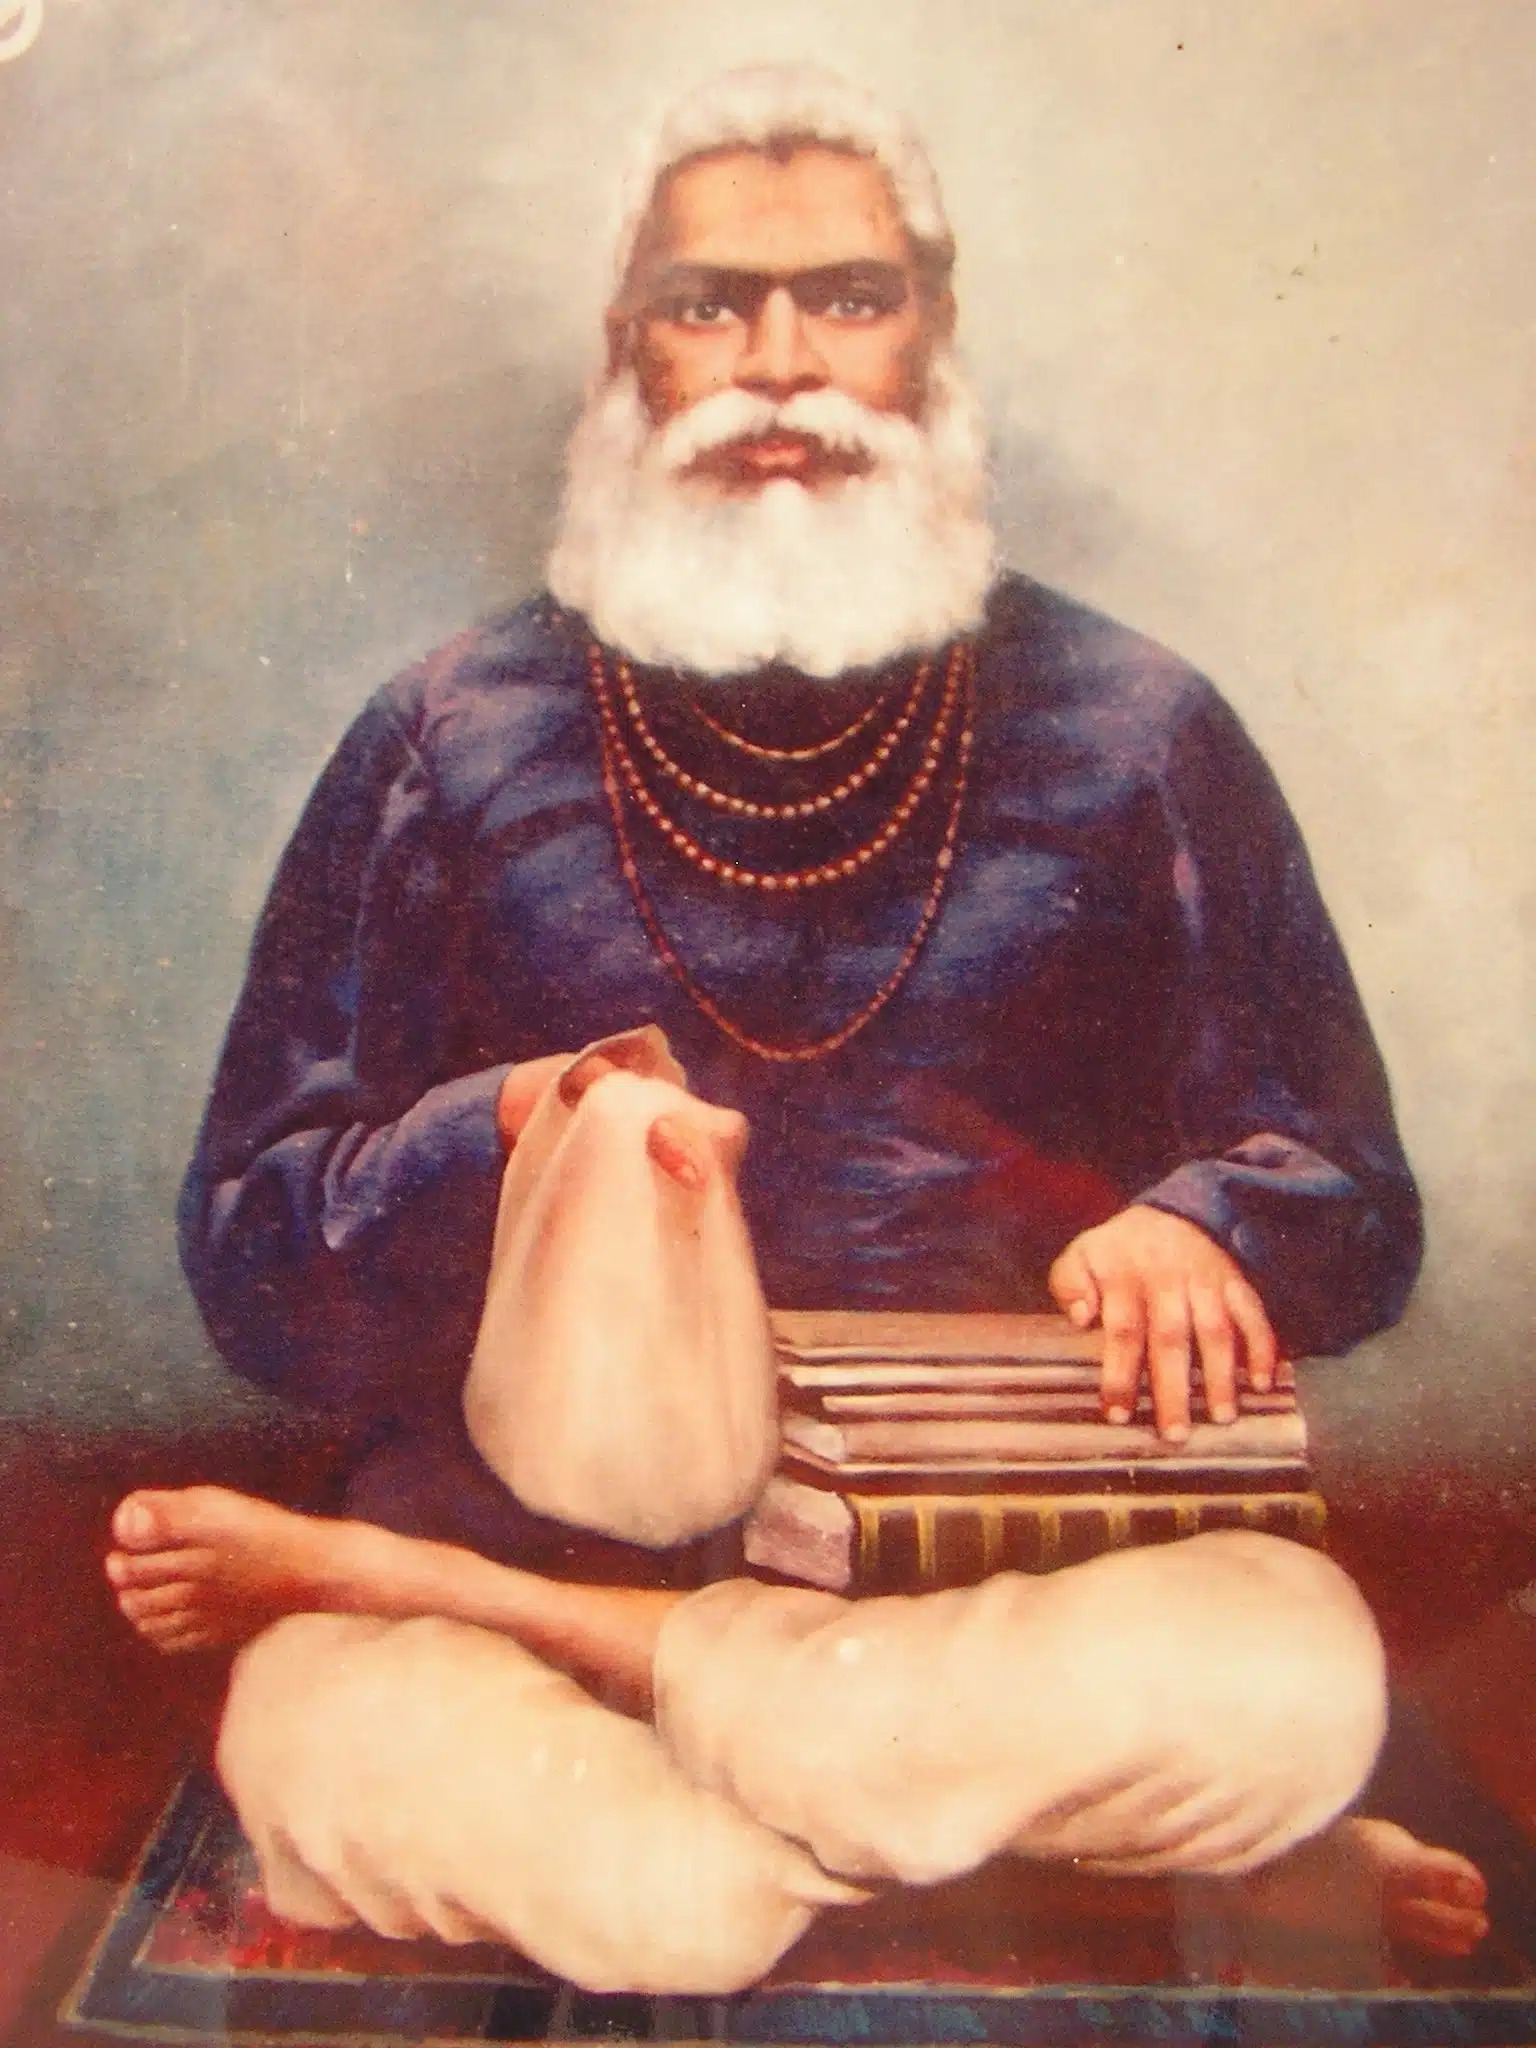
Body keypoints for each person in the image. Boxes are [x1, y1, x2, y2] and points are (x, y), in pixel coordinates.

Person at [107, 65, 1484, 1989]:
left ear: (933, 327)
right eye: (709, 304)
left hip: (993, 1604)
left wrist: (1213, 1222)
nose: (779, 366)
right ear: (628, 345)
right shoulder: (443, 735)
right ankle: (1023, 1860)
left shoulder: (1140, 729)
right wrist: (513, 1129)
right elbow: (255, 1266)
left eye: (847, 297)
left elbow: (1354, 1196)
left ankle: (747, 1841)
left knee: (1289, 1677)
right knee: (345, 1734)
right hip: (528, 1578)